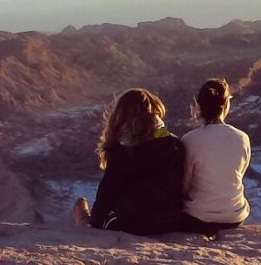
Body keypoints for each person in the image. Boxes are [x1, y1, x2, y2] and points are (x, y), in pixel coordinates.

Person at [72, 88, 185, 235]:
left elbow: (107, 194)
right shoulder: (175, 145)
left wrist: (95, 222)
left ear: (120, 117)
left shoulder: (122, 149)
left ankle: (83, 222)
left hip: (128, 223)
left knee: (94, 217)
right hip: (168, 221)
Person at [180, 77, 251, 232]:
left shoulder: (190, 139)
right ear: (226, 104)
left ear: (199, 106)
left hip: (199, 218)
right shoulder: (242, 137)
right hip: (235, 216)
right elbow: (237, 175)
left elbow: (185, 184)